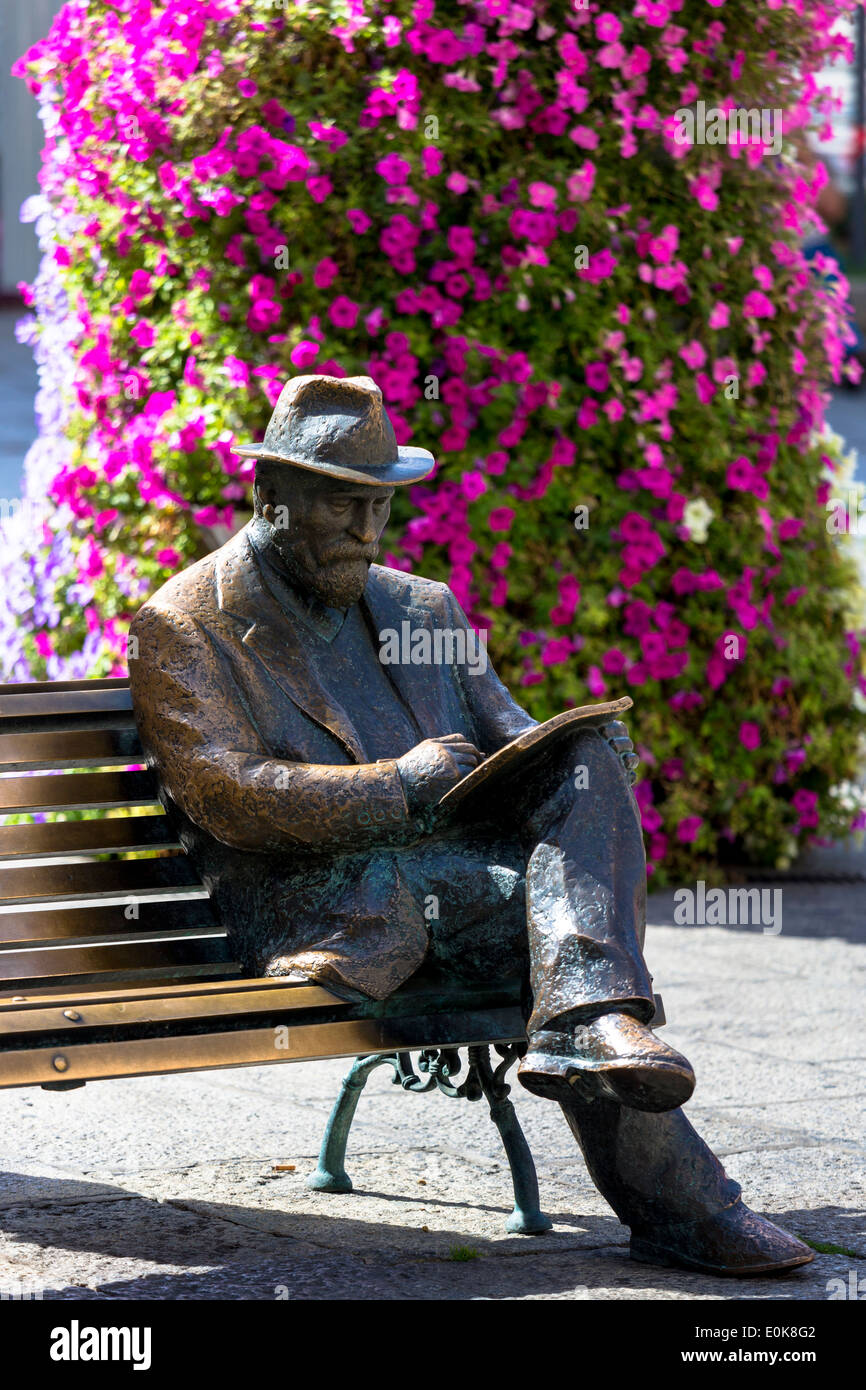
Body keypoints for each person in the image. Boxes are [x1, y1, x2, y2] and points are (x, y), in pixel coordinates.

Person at [129, 374, 812, 1276]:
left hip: (463, 890)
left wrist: (580, 754)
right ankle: (679, 1188)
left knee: (582, 766)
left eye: (381, 509)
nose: (369, 535)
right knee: (561, 938)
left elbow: (511, 735)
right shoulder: (185, 624)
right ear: (273, 498)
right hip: (328, 904)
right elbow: (228, 793)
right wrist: (399, 786)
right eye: (344, 508)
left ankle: (592, 1024)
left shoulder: (423, 608)